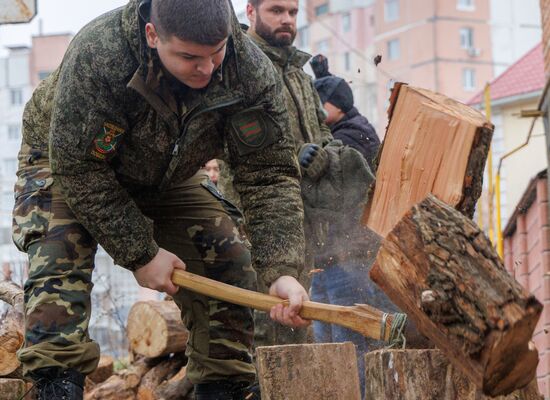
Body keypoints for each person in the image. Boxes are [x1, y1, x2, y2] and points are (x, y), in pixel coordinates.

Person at [12, 0, 310, 399]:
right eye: (189, 57)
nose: (206, 69)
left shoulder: (250, 70)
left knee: (227, 262)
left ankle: (224, 385)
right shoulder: (101, 55)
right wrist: (140, 253)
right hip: (69, 161)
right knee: (58, 268)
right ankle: (57, 385)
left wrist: (281, 269)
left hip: (169, 173)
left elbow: (269, 174)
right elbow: (80, 168)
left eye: (215, 54)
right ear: (154, 36)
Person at [218, 0, 335, 347]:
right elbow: (232, 151)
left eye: (293, 12)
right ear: (251, 12)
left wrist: (322, 156)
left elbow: (323, 132)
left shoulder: (299, 74)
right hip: (253, 221)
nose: (286, 20)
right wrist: (293, 159)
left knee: (297, 319)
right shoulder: (238, 67)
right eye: (276, 10)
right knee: (265, 328)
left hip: (301, 222)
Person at [311, 60, 400, 399]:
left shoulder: (355, 137)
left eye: (321, 105)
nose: (316, 113)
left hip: (351, 261)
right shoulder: (335, 134)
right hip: (327, 261)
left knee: (353, 347)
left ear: (337, 106)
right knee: (329, 349)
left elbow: (342, 195)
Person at [313, 73, 381, 171]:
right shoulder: (356, 124)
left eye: (321, 103)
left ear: (338, 105)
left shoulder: (346, 136)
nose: (317, 109)